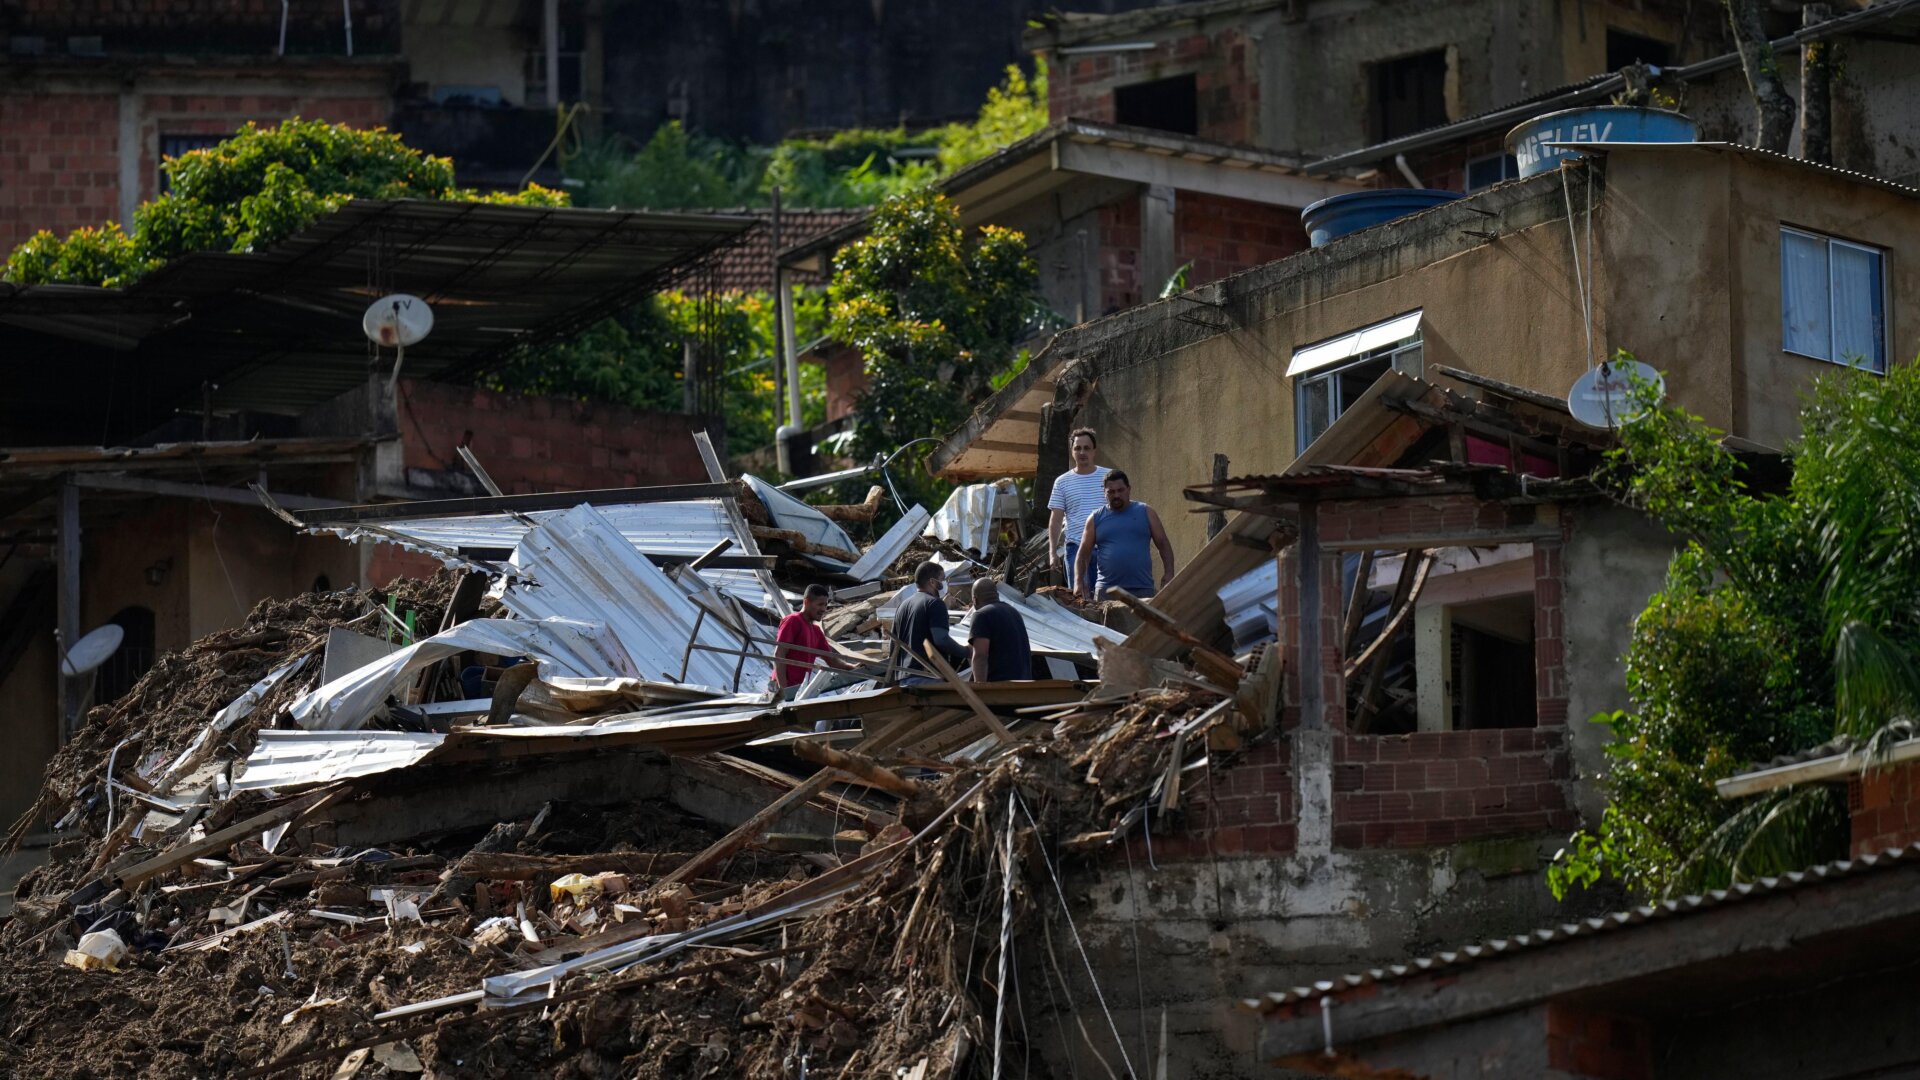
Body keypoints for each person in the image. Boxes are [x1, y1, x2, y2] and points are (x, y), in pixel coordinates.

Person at [1074, 470, 1176, 600]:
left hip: (1142, 589)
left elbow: (1163, 544)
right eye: (1111, 491)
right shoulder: (1095, 518)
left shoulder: (1146, 512)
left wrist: (1169, 573)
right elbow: (1083, 554)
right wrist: (1079, 582)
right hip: (1107, 591)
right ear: (1104, 493)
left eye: (1120, 490)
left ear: (1129, 489)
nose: (1116, 495)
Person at [1047, 427, 1109, 593]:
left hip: (1106, 548)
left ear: (1094, 451)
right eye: (1077, 448)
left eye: (1086, 448)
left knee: (1106, 600)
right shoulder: (1062, 482)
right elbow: (1056, 519)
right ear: (1072, 451)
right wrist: (1052, 553)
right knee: (1079, 599)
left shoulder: (1109, 477)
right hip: (1075, 548)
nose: (1082, 452)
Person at [893, 560, 969, 682]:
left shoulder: (903, 606)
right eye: (943, 579)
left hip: (904, 678)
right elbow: (941, 640)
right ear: (932, 582)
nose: (945, 583)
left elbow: (894, 645)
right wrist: (966, 651)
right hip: (928, 678)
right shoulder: (934, 603)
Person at [774, 584, 855, 692]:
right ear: (807, 602)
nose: (823, 609)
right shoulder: (793, 620)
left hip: (799, 690)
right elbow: (779, 654)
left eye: (825, 605)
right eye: (820, 604)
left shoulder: (816, 631)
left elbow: (832, 661)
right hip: (783, 689)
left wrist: (853, 667)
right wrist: (784, 691)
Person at [967, 578, 1033, 683]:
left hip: (1000, 688)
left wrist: (980, 689)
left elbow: (980, 656)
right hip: (1024, 684)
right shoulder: (1014, 612)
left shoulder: (981, 615)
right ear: (997, 595)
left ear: (975, 600)